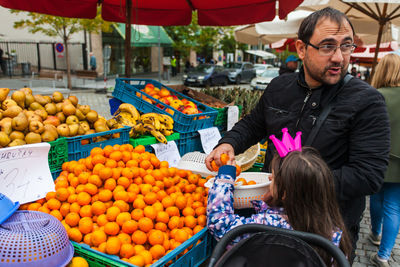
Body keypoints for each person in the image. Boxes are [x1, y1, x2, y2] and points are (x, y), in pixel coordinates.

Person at [205, 7, 390, 263]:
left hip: (325, 235)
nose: (338, 57)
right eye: (327, 46)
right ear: (301, 49)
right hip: (268, 225)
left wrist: (295, 186)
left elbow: (368, 175)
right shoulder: (279, 87)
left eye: (346, 46)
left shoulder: (368, 101)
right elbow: (254, 124)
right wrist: (228, 142)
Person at [207, 142, 352, 266]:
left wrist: (225, 177)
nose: (270, 177)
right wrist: (268, 205)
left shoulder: (267, 224)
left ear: (285, 193)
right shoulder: (333, 234)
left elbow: (220, 223)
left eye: (274, 177)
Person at [368, 53, 400, 267]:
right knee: (393, 206)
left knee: (376, 198)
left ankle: (375, 232)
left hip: (376, 159)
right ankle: (384, 255)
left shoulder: (375, 96)